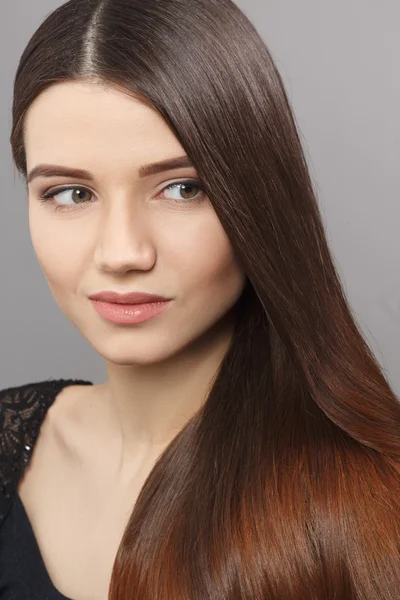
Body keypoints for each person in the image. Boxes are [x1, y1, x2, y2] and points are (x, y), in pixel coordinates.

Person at [1, 0, 399, 598]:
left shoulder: (373, 497)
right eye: (71, 194)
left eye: (182, 188)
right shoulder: (9, 441)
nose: (123, 252)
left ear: (257, 197)